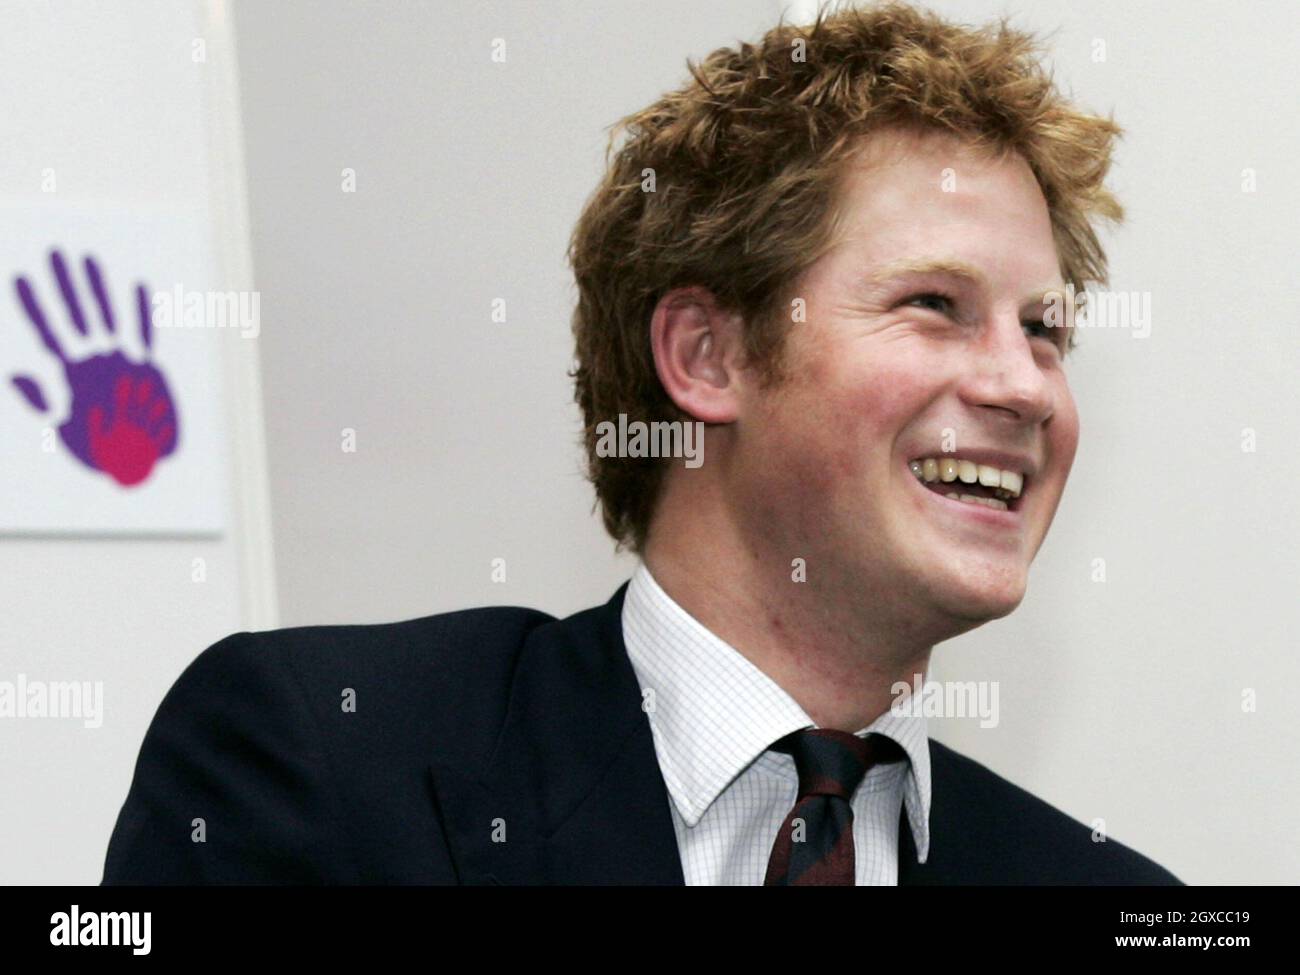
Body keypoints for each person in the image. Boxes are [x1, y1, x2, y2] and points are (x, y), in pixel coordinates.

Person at [103, 1, 1181, 885]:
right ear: (707, 357)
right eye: (934, 304)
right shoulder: (322, 761)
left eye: (1044, 330)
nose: (1021, 385)